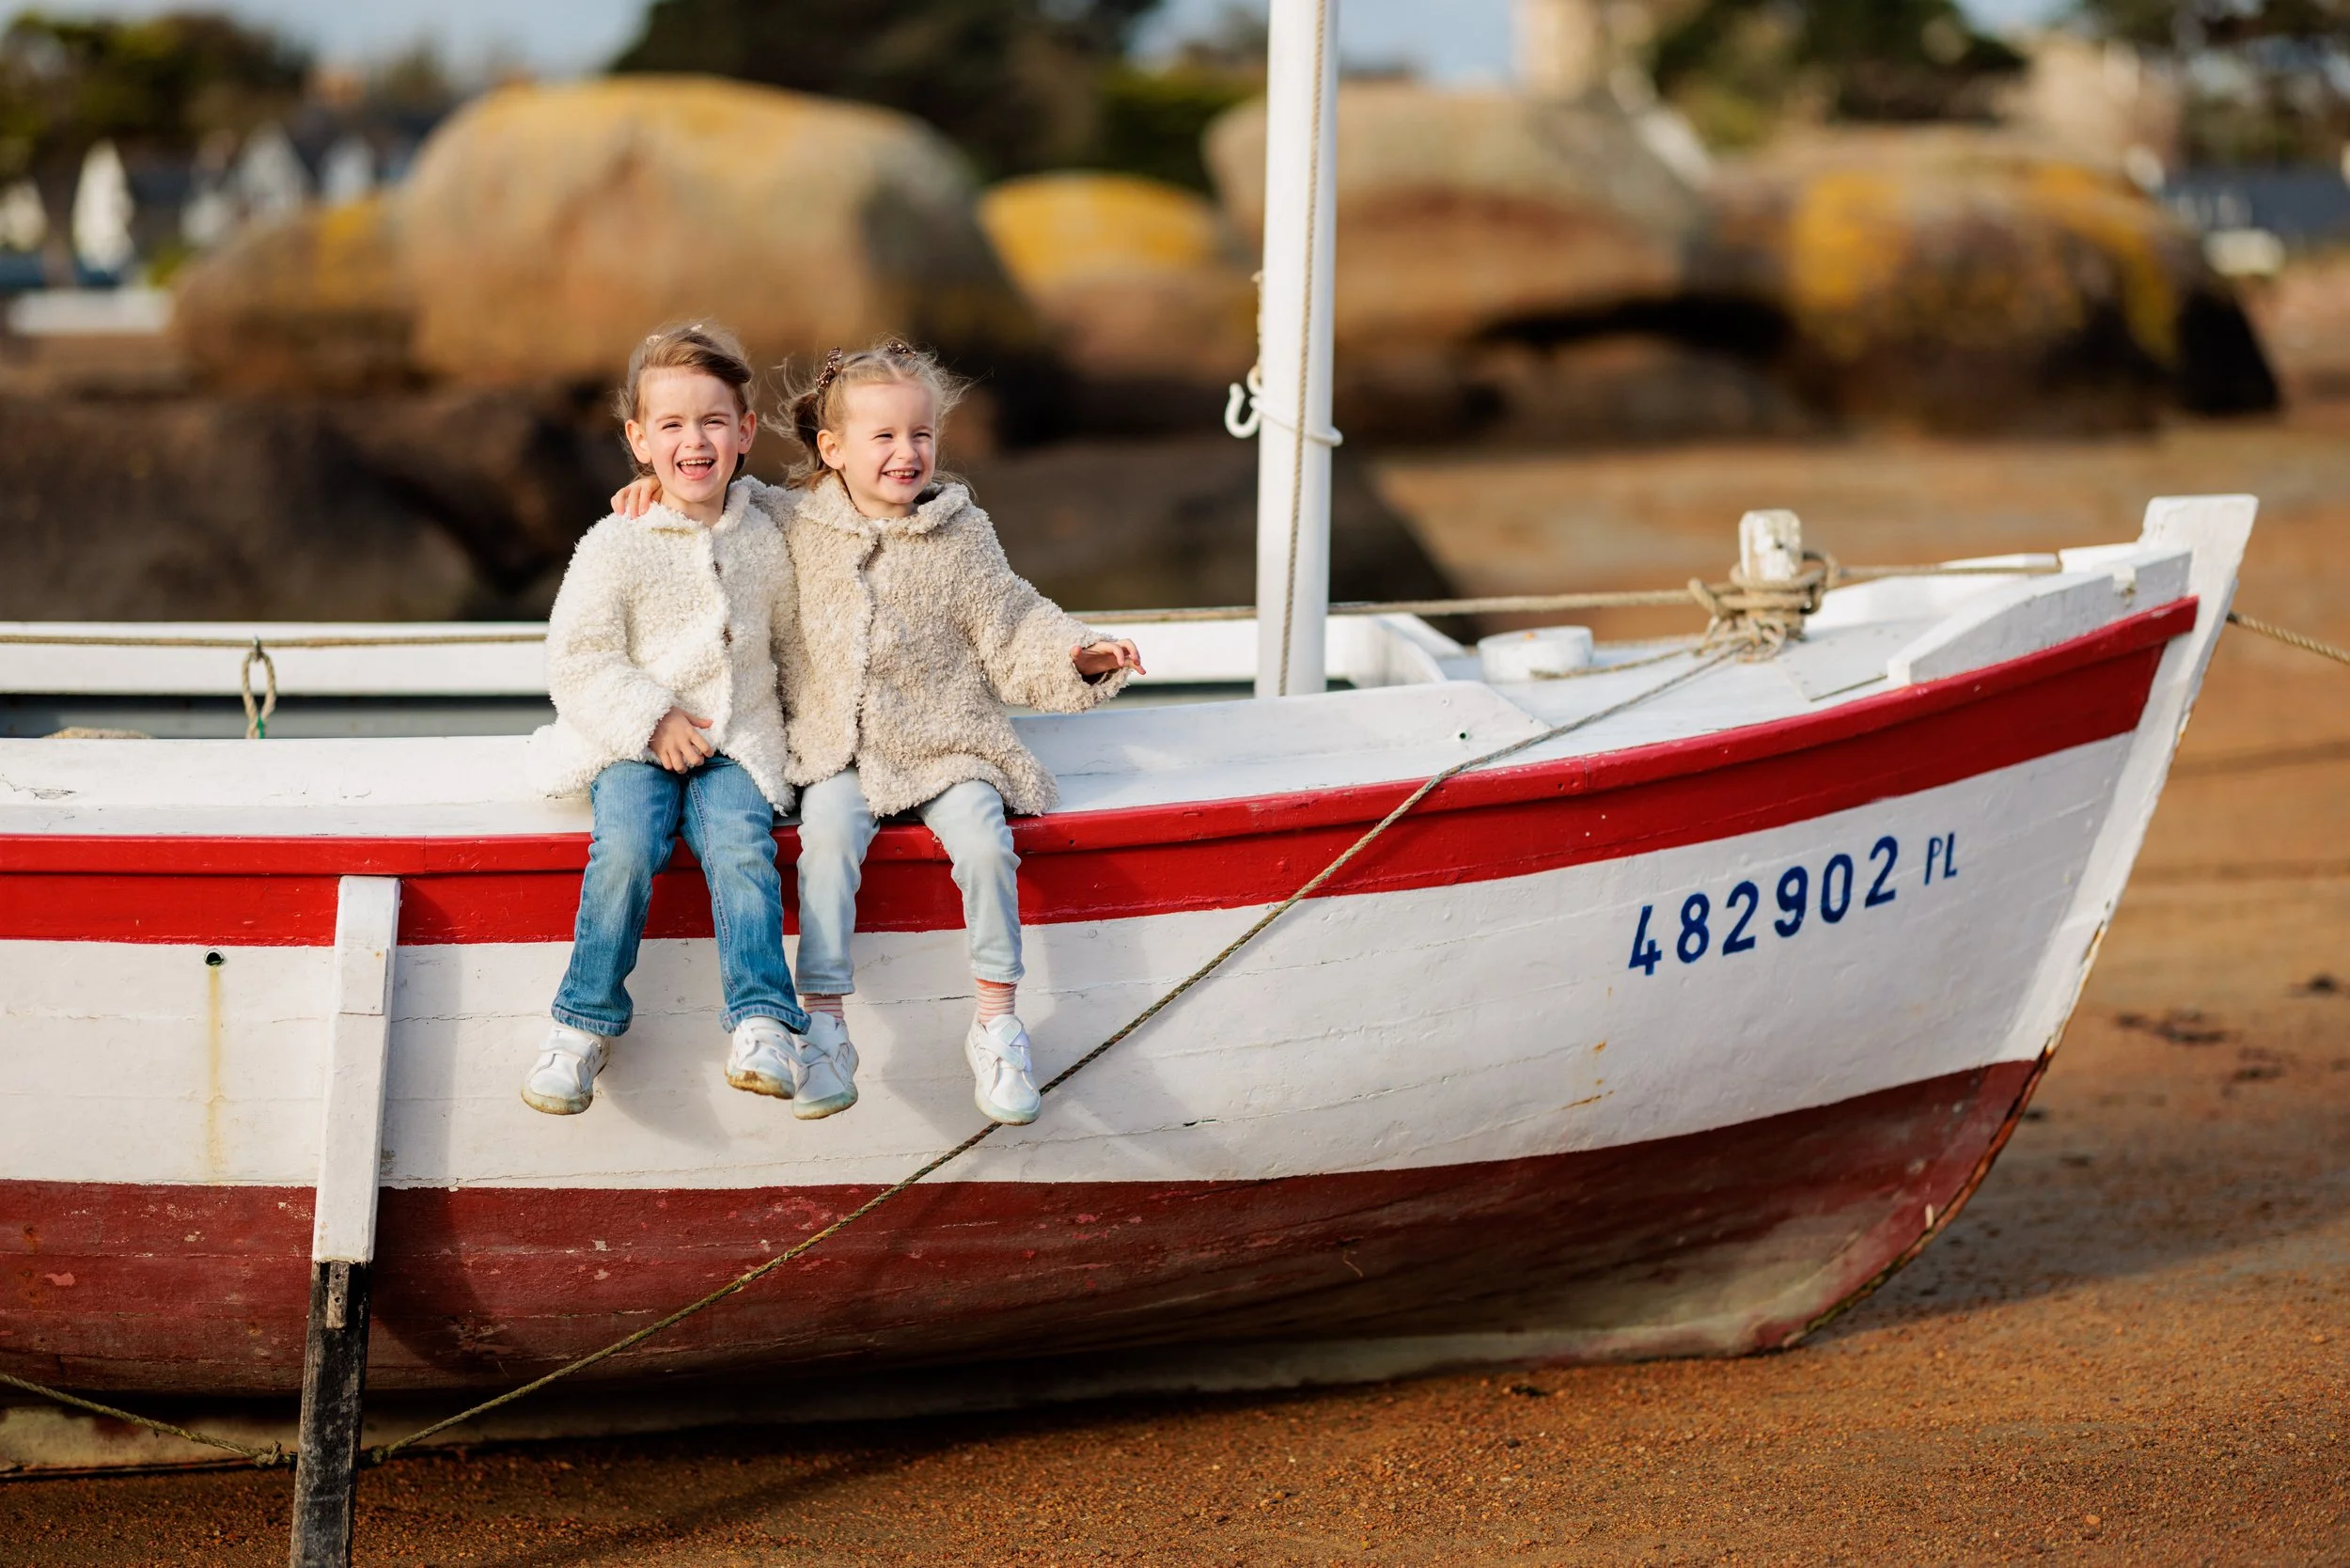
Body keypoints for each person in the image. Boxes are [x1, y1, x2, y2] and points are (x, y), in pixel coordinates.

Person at [613, 339, 1142, 1125]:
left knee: (986, 843)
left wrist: (1080, 654)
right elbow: (716, 492)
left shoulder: (960, 533)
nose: (907, 453)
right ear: (833, 449)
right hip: (839, 752)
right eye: (885, 436)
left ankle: (997, 1022)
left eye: (921, 435)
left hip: (946, 744)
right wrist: (658, 484)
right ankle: (825, 1026)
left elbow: (1015, 620)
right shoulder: (794, 520)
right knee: (825, 844)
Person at [521, 323, 849, 1121]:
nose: (693, 441)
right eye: (670, 425)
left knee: (741, 847)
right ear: (639, 441)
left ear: (745, 432)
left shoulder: (771, 528)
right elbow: (578, 657)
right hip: (632, 743)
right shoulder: (617, 541)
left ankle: (763, 1021)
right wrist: (652, 718)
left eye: (712, 422)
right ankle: (581, 1024)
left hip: (739, 742)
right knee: (627, 846)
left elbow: (808, 608)